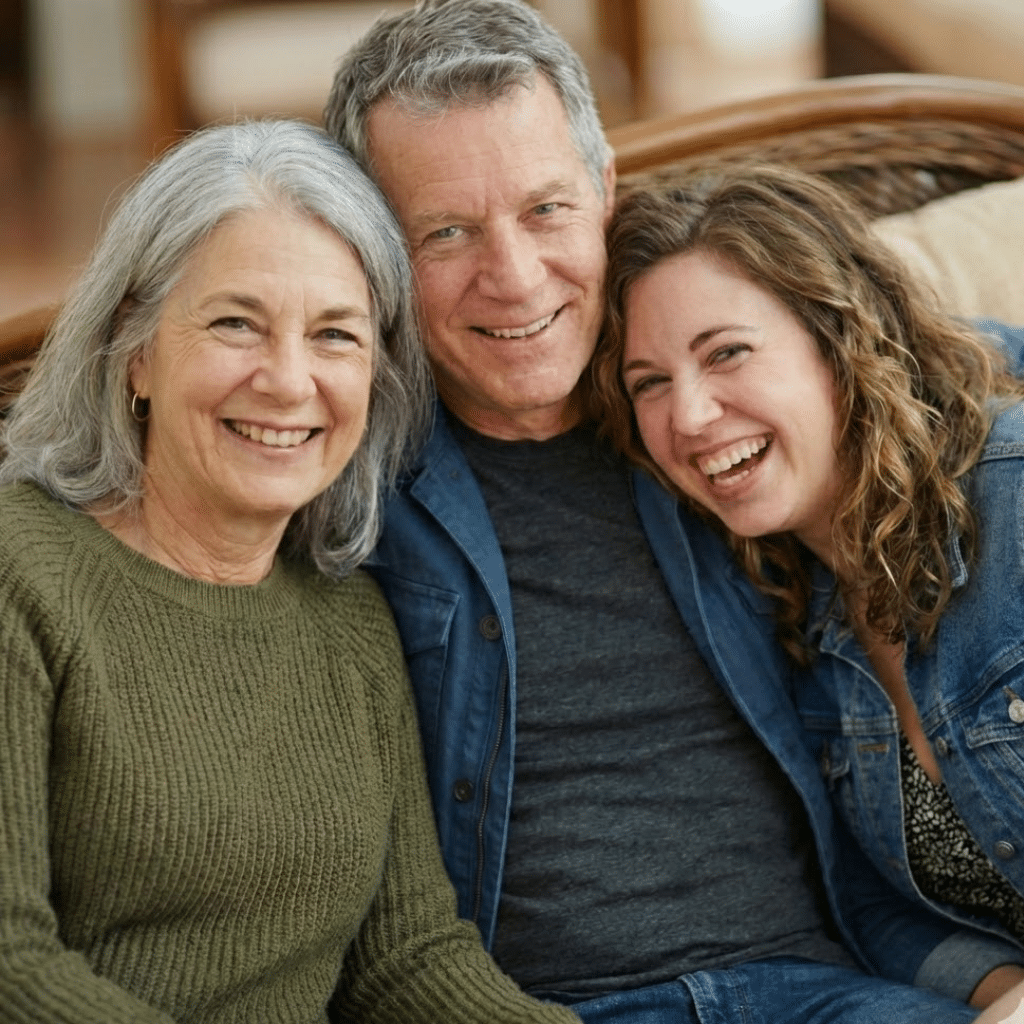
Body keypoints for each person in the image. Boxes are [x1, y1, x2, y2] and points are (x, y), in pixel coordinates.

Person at [323, 0, 1024, 1019]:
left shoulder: (734, 409)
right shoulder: (343, 466)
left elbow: (916, 357)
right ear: (378, 252)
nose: (514, 278)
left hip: (823, 989)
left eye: (546, 210)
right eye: (446, 231)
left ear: (603, 191)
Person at [0, 117, 583, 1024]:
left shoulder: (348, 622)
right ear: (137, 350)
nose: (287, 380)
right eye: (238, 323)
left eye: (335, 336)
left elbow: (409, 959)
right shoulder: (18, 571)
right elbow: (12, 966)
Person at [592, 161, 1024, 1023]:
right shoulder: (790, 615)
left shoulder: (1011, 497)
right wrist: (997, 993)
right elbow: (872, 902)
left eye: (727, 354)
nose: (690, 416)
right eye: (650, 383)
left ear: (840, 339)